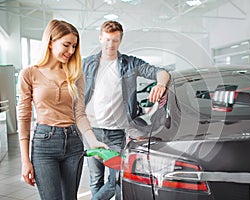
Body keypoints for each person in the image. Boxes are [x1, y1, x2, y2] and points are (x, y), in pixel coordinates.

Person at [17, 19, 108, 200]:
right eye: (66, 45)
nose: (71, 51)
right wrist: (25, 160)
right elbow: (24, 118)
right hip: (44, 144)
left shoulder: (75, 73)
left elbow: (79, 113)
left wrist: (93, 140)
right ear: (50, 42)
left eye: (74, 46)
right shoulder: (29, 73)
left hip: (74, 141)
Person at [82, 20, 170, 200]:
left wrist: (160, 84)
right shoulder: (87, 64)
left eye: (115, 40)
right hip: (92, 130)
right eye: (107, 40)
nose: (110, 44)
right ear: (100, 38)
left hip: (117, 133)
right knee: (95, 179)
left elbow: (161, 72)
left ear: (120, 41)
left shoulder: (130, 64)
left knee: (116, 181)